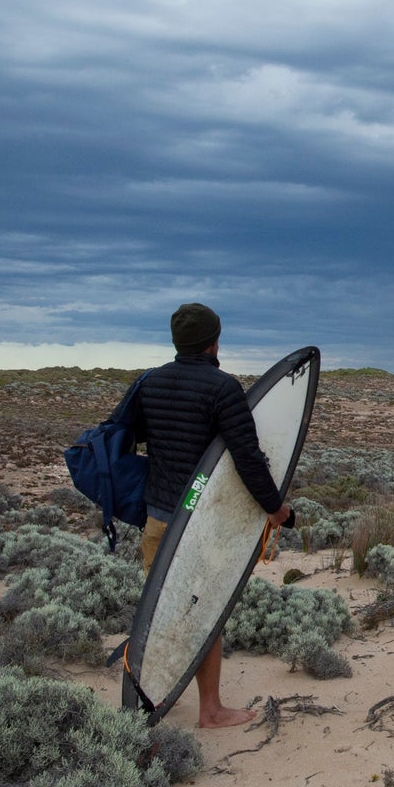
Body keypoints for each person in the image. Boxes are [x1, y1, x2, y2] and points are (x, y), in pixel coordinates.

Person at [119, 302, 291, 728]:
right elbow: (248, 459)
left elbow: (134, 434)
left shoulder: (151, 383)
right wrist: (275, 509)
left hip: (159, 520)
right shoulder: (222, 389)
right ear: (215, 341)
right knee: (204, 611)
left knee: (163, 608)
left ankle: (154, 694)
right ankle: (210, 710)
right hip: (200, 527)